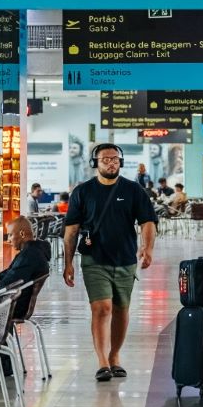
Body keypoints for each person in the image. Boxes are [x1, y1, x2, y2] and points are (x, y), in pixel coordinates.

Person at [63, 143, 157, 382]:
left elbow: (148, 222)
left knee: (121, 308)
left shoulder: (134, 190)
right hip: (94, 260)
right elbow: (71, 230)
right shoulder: (82, 192)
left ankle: (115, 356)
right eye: (105, 159)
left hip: (125, 259)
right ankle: (102, 361)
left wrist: (148, 248)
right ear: (95, 163)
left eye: (115, 159)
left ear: (121, 162)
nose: (111, 163)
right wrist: (68, 263)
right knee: (101, 308)